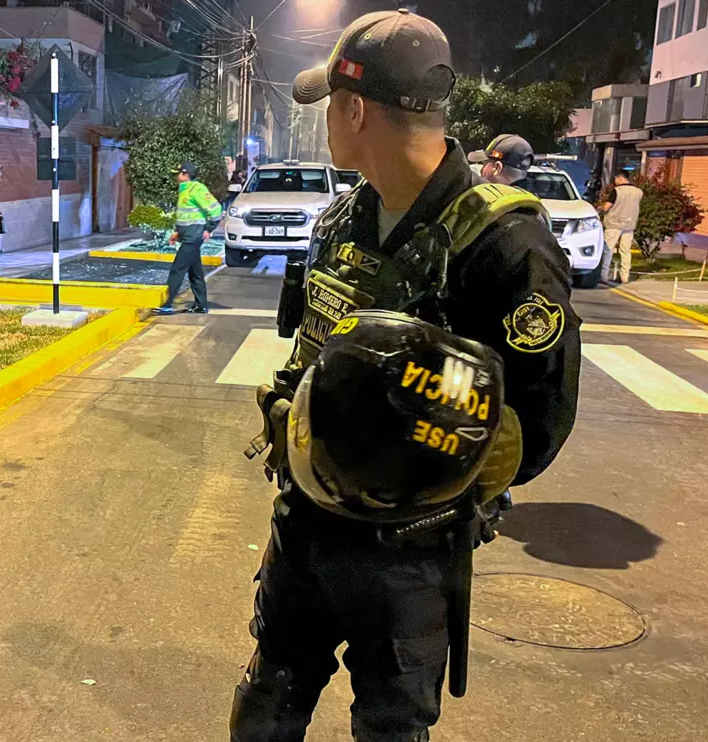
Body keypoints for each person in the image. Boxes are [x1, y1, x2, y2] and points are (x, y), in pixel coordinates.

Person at [231, 10, 581, 741]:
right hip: (304, 523)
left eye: (330, 104)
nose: (328, 117)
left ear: (354, 109)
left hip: (410, 556)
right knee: (268, 696)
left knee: (390, 727)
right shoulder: (339, 221)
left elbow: (538, 424)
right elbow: (307, 353)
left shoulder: (505, 244)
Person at [154, 160, 222, 315]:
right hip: (188, 235)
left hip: (193, 236)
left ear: (186, 174)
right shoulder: (184, 188)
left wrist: (209, 229)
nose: (176, 176)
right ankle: (201, 305)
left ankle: (167, 303)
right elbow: (186, 215)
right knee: (195, 271)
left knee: (177, 269)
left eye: (178, 173)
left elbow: (216, 209)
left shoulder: (196, 188)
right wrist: (178, 233)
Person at [600, 171, 643, 285]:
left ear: (620, 178)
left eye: (615, 179)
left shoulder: (617, 191)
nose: (614, 182)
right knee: (626, 251)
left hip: (614, 224)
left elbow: (606, 207)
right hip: (629, 224)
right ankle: (625, 276)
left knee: (608, 249)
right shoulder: (638, 192)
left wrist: (600, 207)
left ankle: (603, 275)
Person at [468, 133, 534, 186]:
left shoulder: (487, 200)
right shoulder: (532, 200)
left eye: (485, 163)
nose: (481, 170)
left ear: (497, 168)